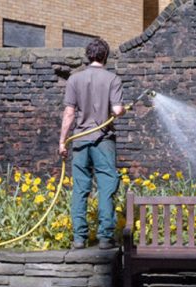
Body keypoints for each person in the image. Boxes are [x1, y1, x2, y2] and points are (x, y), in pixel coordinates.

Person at [58, 38, 125, 250]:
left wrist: (62, 142)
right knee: (106, 188)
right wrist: (121, 110)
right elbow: (116, 111)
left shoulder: (74, 80)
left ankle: (79, 238)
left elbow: (69, 114)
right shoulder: (113, 79)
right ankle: (105, 238)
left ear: (88, 56)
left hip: (79, 140)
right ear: (105, 56)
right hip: (103, 140)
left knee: (80, 189)